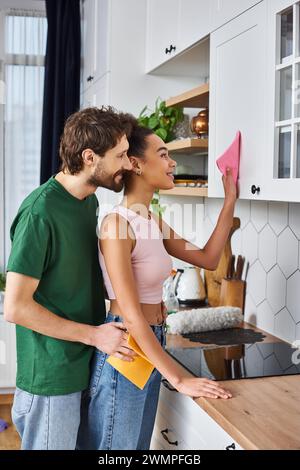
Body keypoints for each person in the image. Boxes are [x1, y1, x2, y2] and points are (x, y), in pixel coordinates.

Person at [77, 115, 236, 451]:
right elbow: (132, 315)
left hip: (152, 341)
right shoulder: (116, 224)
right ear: (135, 164)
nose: (172, 161)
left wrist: (230, 200)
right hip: (128, 346)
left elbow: (208, 258)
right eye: (163, 154)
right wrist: (179, 378)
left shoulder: (151, 219)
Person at [3, 107, 138, 450]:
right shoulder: (40, 212)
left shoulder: (88, 201)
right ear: (90, 157)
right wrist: (94, 335)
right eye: (120, 155)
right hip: (52, 376)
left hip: (83, 362)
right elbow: (16, 307)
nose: (126, 163)